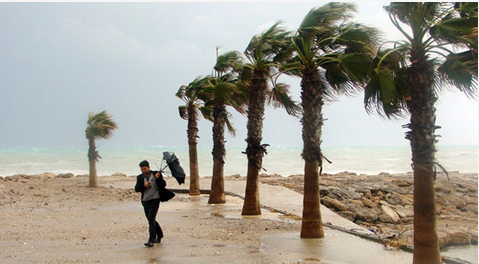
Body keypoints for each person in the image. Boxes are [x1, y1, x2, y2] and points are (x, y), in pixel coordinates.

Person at [135, 160, 166, 247]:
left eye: (145, 169)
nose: (143, 171)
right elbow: (137, 189)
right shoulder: (140, 177)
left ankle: (151, 239)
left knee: (151, 219)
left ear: (149, 167)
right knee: (150, 219)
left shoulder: (156, 174)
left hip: (155, 199)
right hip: (145, 200)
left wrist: (158, 178)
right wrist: (144, 186)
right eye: (142, 169)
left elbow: (163, 185)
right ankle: (160, 234)